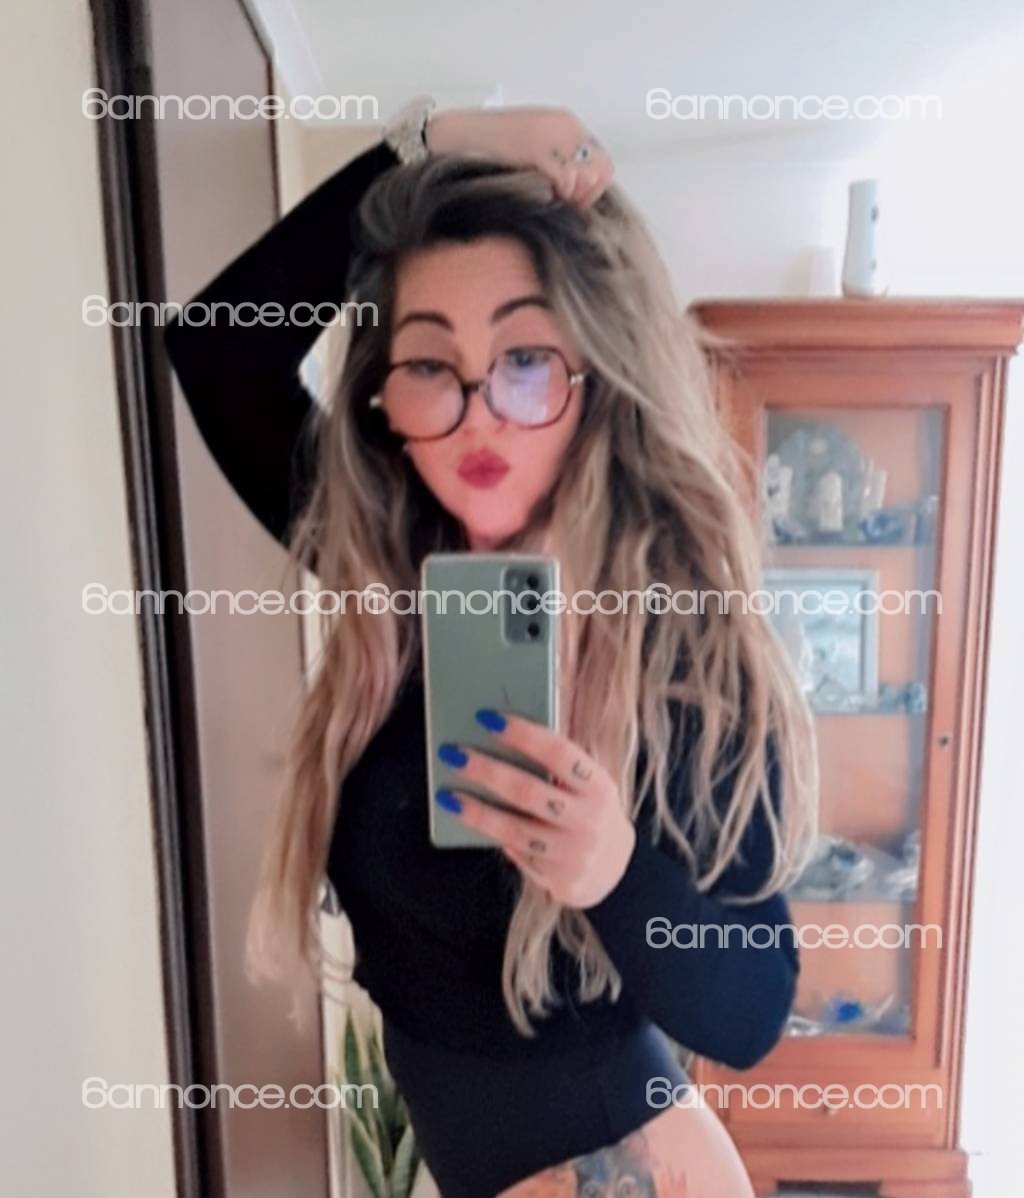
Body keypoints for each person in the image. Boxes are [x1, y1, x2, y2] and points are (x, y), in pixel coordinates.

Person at [164, 99, 818, 1198]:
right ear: (385, 392)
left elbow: (751, 1007)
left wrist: (613, 873)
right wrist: (428, 142)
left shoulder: (680, 644)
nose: (479, 415)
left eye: (525, 359)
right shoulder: (389, 573)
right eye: (431, 364)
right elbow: (219, 345)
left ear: (595, 373)